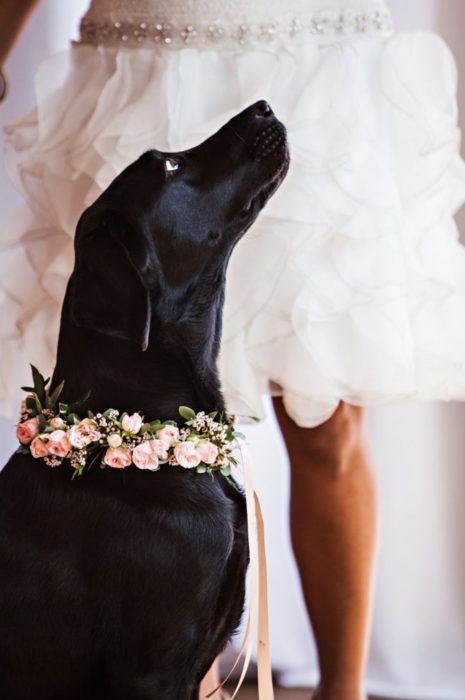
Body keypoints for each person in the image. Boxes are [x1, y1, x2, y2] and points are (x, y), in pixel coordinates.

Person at [2, 1, 465, 699]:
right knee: (127, 425)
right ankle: (172, 675)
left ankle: (343, 692)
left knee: (324, 428)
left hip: (310, 66)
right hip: (141, 68)